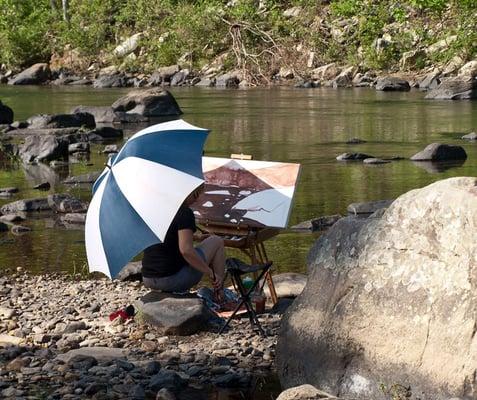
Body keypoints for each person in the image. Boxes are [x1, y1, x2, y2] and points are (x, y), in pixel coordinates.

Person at [142, 185, 226, 301]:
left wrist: (196, 237)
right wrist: (210, 272)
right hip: (171, 279)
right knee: (217, 241)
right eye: (195, 195)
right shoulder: (184, 212)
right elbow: (186, 251)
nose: (196, 200)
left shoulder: (158, 210)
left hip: (148, 277)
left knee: (202, 248)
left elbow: (167, 236)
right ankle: (219, 292)